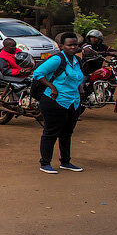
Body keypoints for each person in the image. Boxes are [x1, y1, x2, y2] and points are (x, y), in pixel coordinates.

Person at [32, 31, 85, 174]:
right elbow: (37, 74)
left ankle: (66, 162)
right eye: (69, 45)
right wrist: (52, 87)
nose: (73, 47)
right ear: (62, 46)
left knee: (67, 133)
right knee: (50, 133)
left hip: (73, 102)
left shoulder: (77, 61)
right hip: (54, 101)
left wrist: (80, 87)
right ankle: (45, 163)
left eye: (75, 45)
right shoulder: (57, 60)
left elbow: (79, 77)